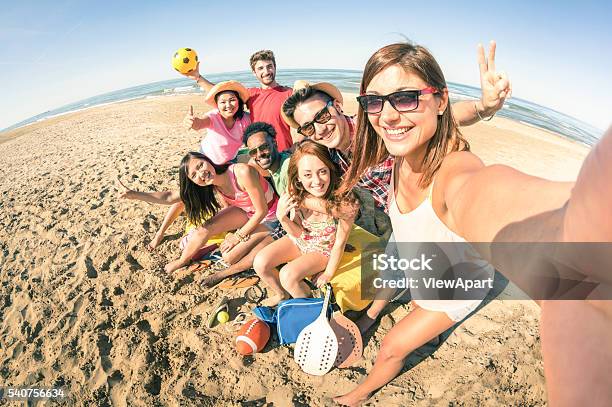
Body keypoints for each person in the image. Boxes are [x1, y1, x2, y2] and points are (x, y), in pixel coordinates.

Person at [333, 41, 612, 406]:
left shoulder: (453, 173)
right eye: (374, 101)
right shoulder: (400, 147)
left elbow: (489, 199)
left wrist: (575, 230)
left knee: (391, 347)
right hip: (429, 266)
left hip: (456, 284)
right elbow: (453, 116)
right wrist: (484, 107)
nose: (386, 116)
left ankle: (357, 396)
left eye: (405, 98)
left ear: (440, 99)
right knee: (413, 299)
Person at [119, 151, 279, 274]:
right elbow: (169, 197)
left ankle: (262, 242)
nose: (201, 173)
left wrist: (237, 237)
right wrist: (134, 194)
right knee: (204, 228)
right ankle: (182, 260)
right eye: (194, 175)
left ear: (208, 160)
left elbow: (261, 211)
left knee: (229, 257)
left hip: (269, 214)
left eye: (200, 165)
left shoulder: (242, 172)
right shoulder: (210, 183)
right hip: (245, 211)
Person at [145, 80, 251, 251]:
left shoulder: (245, 120)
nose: (228, 105)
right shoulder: (214, 117)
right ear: (217, 105)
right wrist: (192, 122)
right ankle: (160, 233)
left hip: (225, 168)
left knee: (227, 201)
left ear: (238, 101)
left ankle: (225, 227)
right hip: (203, 167)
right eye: (223, 102)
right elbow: (201, 123)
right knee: (184, 198)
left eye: (232, 100)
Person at [252, 140, 358, 306]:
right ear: (299, 177)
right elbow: (297, 233)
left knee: (288, 275)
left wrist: (328, 273)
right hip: (301, 240)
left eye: (322, 171)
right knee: (260, 262)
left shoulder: (343, 201)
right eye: (308, 175)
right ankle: (281, 294)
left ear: (330, 169)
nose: (316, 181)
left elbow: (339, 243)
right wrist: (283, 218)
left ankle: (308, 304)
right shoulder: (295, 193)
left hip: (323, 250)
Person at [183, 50, 294, 151]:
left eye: (269, 66)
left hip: (284, 153)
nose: (266, 71)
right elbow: (220, 91)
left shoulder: (289, 93)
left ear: (275, 67)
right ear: (254, 72)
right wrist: (198, 78)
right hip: (259, 154)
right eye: (260, 68)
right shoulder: (251, 94)